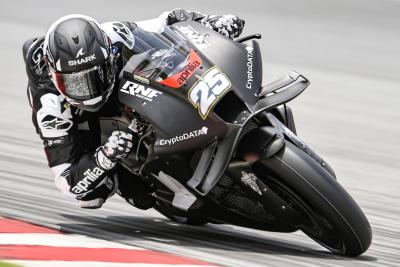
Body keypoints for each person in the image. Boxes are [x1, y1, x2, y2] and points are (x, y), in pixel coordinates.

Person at [23, 9, 245, 209]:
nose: (88, 90)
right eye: (76, 84)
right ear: (56, 76)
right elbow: (66, 181)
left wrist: (209, 22)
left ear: (107, 52)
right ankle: (125, 174)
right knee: (102, 195)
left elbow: (168, 22)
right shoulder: (50, 105)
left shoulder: (115, 33)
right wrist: (105, 157)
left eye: (95, 75)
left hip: (119, 85)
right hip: (80, 118)